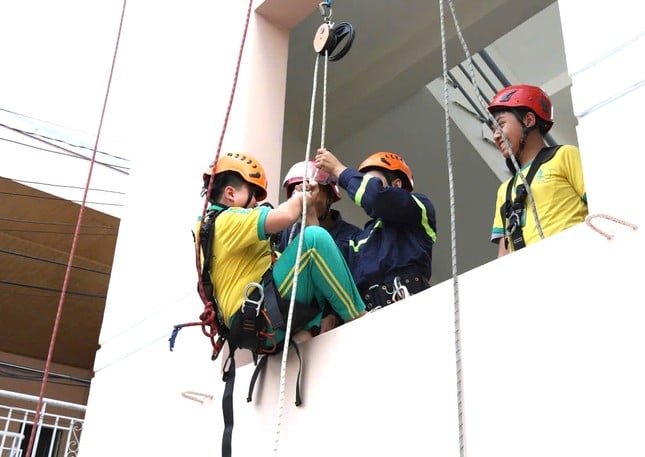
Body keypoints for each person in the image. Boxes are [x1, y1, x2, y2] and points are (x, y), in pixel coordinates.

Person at [198, 152, 366, 350]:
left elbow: (314, 257)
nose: (256, 204)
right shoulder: (227, 220)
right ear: (230, 194)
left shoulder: (217, 231)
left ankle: (305, 332)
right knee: (314, 239)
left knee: (314, 246)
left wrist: (309, 208)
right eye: (252, 194)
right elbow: (287, 216)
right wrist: (300, 195)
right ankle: (360, 318)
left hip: (259, 317)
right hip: (261, 314)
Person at [314, 149, 437, 311]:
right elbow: (334, 274)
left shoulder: (418, 209)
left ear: (397, 185)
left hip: (410, 305)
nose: (363, 186)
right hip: (369, 318)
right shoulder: (358, 239)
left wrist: (338, 170)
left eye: (372, 181)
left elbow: (376, 196)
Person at [487, 84, 588, 257]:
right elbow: (504, 252)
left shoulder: (564, 156)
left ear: (529, 120)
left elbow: (601, 206)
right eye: (493, 129)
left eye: (501, 125)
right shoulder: (505, 190)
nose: (496, 135)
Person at [278, 159, 361, 258]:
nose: (305, 197)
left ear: (330, 196)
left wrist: (311, 216)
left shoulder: (352, 237)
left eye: (311, 190)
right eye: (300, 192)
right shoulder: (289, 233)